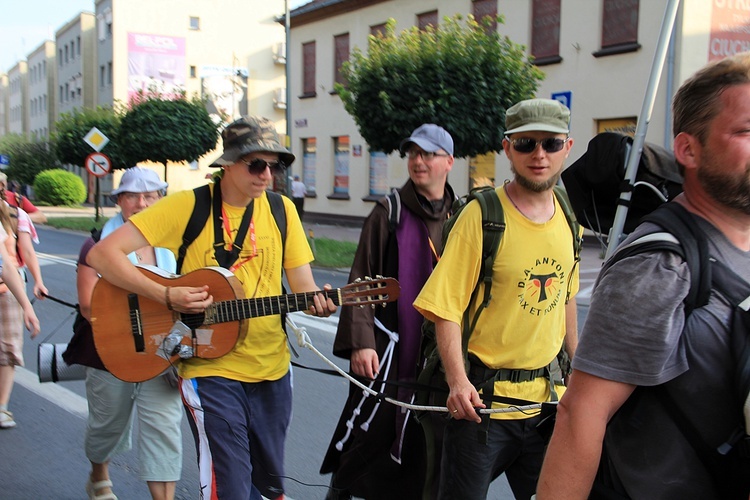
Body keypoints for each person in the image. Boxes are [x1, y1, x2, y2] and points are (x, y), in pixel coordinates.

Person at [87, 115, 337, 500]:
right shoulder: (189, 206)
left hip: (272, 368)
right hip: (209, 366)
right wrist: (167, 295)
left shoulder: (282, 210)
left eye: (275, 166)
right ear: (230, 164)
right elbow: (104, 255)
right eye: (257, 165)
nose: (267, 175)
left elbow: (302, 286)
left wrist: (320, 302)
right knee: (231, 487)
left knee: (267, 489)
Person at [536, 54, 750, 500]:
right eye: (745, 131)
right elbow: (581, 416)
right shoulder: (658, 266)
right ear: (689, 149)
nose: (539, 155)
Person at [413, 98, 579, 500]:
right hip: (482, 409)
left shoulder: (568, 215)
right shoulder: (482, 216)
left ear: (567, 148)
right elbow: (445, 308)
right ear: (507, 148)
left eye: (550, 144)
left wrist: (579, 370)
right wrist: (457, 381)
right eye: (526, 144)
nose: (539, 154)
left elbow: (566, 300)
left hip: (546, 407)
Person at [320, 124, 456, 499]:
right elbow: (360, 279)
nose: (418, 161)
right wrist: (363, 342)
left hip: (441, 354)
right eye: (413, 153)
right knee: (368, 430)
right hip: (390, 347)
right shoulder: (388, 212)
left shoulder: (462, 216)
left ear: (449, 162)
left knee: (424, 442)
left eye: (427, 154)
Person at [64, 167, 182, 500]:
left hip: (161, 352)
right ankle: (98, 475)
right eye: (132, 196)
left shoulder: (172, 245)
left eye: (150, 196)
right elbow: (88, 307)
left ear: (161, 199)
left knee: (164, 427)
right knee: (107, 425)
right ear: (120, 201)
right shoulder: (97, 243)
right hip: (109, 351)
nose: (141, 203)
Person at [0, 174, 47, 430]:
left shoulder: (16, 214)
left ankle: (2, 406)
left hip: (8, 289)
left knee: (8, 346)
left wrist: (30, 299)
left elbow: (10, 262)